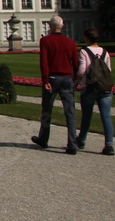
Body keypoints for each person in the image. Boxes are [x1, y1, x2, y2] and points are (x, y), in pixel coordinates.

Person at [31, 15, 79, 154]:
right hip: (67, 79)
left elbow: (44, 62)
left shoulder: (45, 41)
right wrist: (75, 79)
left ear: (50, 26)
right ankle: (72, 144)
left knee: (47, 110)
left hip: (52, 78)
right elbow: (76, 63)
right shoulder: (70, 42)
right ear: (62, 26)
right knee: (70, 112)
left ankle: (44, 139)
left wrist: (45, 80)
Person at [76, 27, 115, 156]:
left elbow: (82, 70)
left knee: (87, 116)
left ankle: (81, 140)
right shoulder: (105, 51)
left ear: (86, 38)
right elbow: (108, 69)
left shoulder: (84, 51)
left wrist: (76, 82)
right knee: (106, 116)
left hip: (90, 87)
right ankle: (109, 145)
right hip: (105, 88)